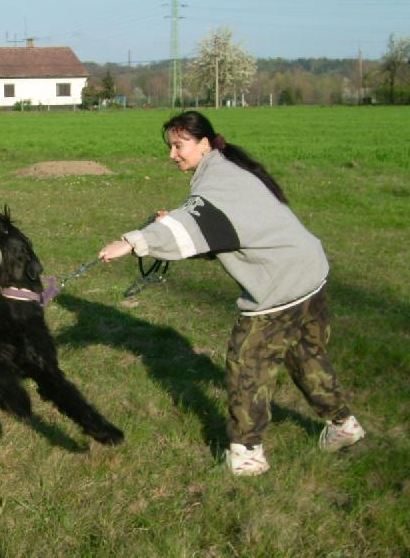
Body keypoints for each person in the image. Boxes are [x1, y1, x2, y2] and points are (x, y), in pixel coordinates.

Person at [99, 110, 364, 477]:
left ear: (204, 144)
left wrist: (131, 241)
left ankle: (247, 454)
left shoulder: (217, 184)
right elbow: (225, 233)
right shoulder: (231, 171)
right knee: (306, 356)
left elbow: (192, 222)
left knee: (246, 368)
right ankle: (343, 424)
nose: (172, 154)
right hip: (310, 274)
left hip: (280, 287)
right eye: (170, 147)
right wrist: (171, 227)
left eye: (180, 145)